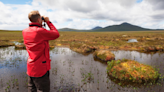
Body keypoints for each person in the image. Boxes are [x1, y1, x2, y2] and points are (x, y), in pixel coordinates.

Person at [22, 10, 60, 92]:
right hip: (41, 69)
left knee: (32, 89)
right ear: (39, 19)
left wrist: (40, 23)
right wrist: (48, 22)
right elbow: (56, 34)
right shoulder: (40, 31)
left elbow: (37, 33)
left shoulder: (24, 31)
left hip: (31, 67)